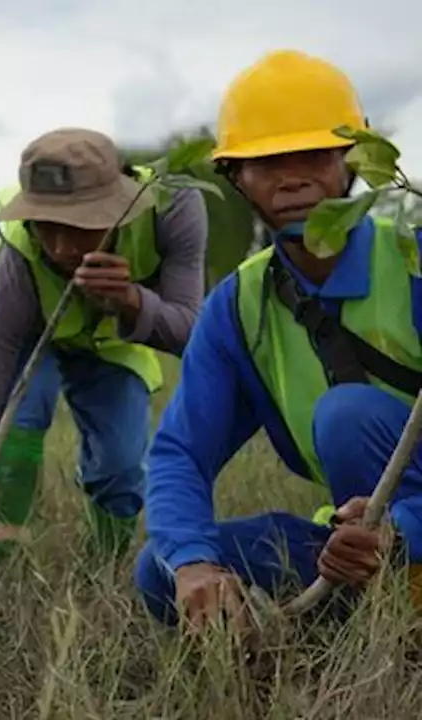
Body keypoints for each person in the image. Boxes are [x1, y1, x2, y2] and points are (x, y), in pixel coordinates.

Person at [133, 48, 422, 632]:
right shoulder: (238, 308)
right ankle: (371, 606)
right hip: (357, 545)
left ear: (352, 161)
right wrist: (193, 566)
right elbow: (181, 454)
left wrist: (402, 530)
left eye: (312, 155)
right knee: (159, 572)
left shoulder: (412, 263)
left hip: (402, 530)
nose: (292, 178)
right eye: (267, 162)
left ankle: (397, 602)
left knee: (349, 416)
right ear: (236, 178)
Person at [0, 127, 209, 567]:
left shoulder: (172, 210)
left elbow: (191, 332)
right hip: (31, 331)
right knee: (17, 426)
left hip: (113, 334)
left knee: (120, 461)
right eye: (46, 227)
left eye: (78, 228)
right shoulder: (18, 257)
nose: (59, 248)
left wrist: (131, 301)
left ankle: (107, 565)